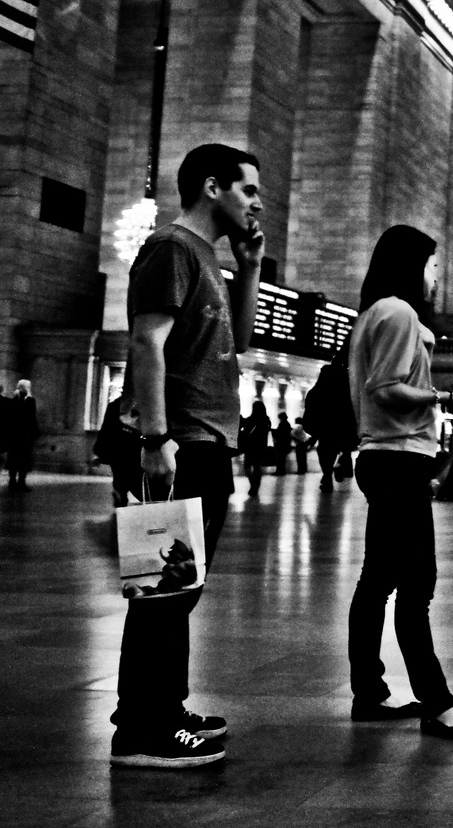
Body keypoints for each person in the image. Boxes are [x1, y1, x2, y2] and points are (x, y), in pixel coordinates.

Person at [112, 142, 264, 769]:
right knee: (162, 590)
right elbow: (146, 342)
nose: (257, 202)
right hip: (174, 444)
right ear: (212, 187)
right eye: (249, 190)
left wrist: (250, 266)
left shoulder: (208, 256)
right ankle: (143, 731)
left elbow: (244, 342)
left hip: (202, 442)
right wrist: (155, 439)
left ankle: (161, 709)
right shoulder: (173, 248)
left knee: (179, 589)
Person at [347, 224, 453, 739]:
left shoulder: (372, 314)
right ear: (412, 265)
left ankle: (370, 691)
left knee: (377, 582)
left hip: (381, 457)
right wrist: (445, 399)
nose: (435, 277)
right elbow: (385, 388)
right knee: (416, 585)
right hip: (398, 460)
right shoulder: (399, 312)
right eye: (431, 265)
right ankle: (439, 703)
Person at [304, 351, 358, 493]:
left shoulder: (323, 380)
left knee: (325, 451)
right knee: (345, 447)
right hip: (344, 425)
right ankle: (342, 461)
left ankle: (327, 476)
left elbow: (312, 401)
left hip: (325, 426)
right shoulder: (350, 380)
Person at [6, 379, 39, 491]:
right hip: (25, 436)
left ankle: (12, 481)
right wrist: (35, 432)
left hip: (14, 435)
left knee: (14, 458)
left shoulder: (13, 401)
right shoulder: (30, 401)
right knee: (24, 459)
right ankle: (21, 482)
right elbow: (32, 418)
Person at [240, 402, 272, 498]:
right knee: (257, 467)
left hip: (250, 447)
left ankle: (253, 484)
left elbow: (244, 430)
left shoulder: (250, 420)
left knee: (247, 467)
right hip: (261, 447)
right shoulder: (266, 421)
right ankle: (255, 486)